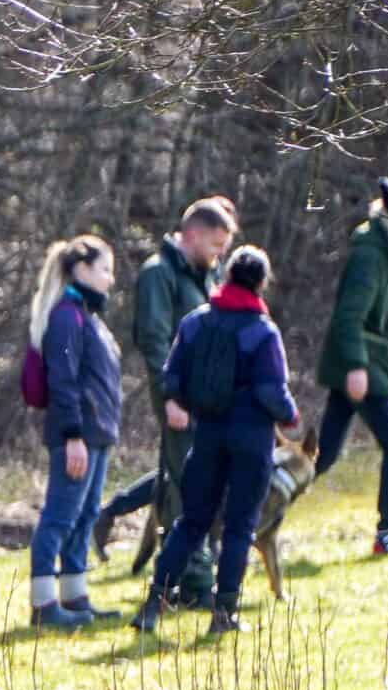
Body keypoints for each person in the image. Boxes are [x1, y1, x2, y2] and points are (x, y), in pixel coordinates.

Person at [134, 247, 300, 637]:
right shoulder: (263, 331)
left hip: (206, 434)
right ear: (261, 283)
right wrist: (290, 416)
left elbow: (172, 376)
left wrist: (181, 403)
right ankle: (223, 614)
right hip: (252, 440)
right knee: (240, 528)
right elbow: (273, 391)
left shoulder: (195, 323)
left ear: (225, 276)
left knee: (191, 522)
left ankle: (153, 603)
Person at [94, 196, 238, 599]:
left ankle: (194, 571)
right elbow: (155, 341)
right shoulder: (159, 274)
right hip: (180, 399)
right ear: (191, 235)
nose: (218, 256)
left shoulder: (201, 275)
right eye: (214, 246)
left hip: (207, 401)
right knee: (185, 487)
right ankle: (190, 580)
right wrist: (169, 397)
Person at [315, 177, 388, 556]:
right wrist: (357, 367)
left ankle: (248, 515)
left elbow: (386, 326)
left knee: (320, 456)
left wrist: (385, 372)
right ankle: (387, 534)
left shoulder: (387, 251)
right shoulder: (370, 254)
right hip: (359, 365)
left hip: (368, 365)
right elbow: (349, 317)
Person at [26, 234, 124, 629]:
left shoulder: (89, 315)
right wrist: (72, 436)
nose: (110, 279)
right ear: (82, 270)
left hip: (97, 432)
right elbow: (63, 382)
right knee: (60, 515)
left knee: (84, 516)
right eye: (105, 269)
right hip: (77, 435)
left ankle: (75, 593)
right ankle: (43, 603)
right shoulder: (67, 317)